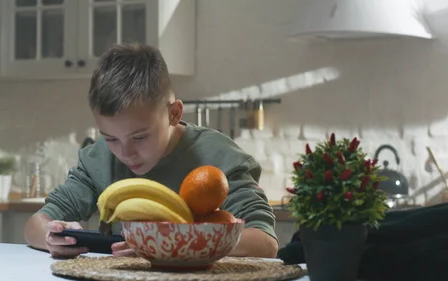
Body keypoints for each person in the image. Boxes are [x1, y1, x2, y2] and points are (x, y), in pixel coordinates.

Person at [23, 43, 278, 259]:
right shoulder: (99, 159)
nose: (126, 152)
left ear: (174, 114)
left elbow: (265, 242)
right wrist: (52, 234)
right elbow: (36, 223)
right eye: (111, 138)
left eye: (140, 137)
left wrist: (173, 247)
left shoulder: (221, 158)